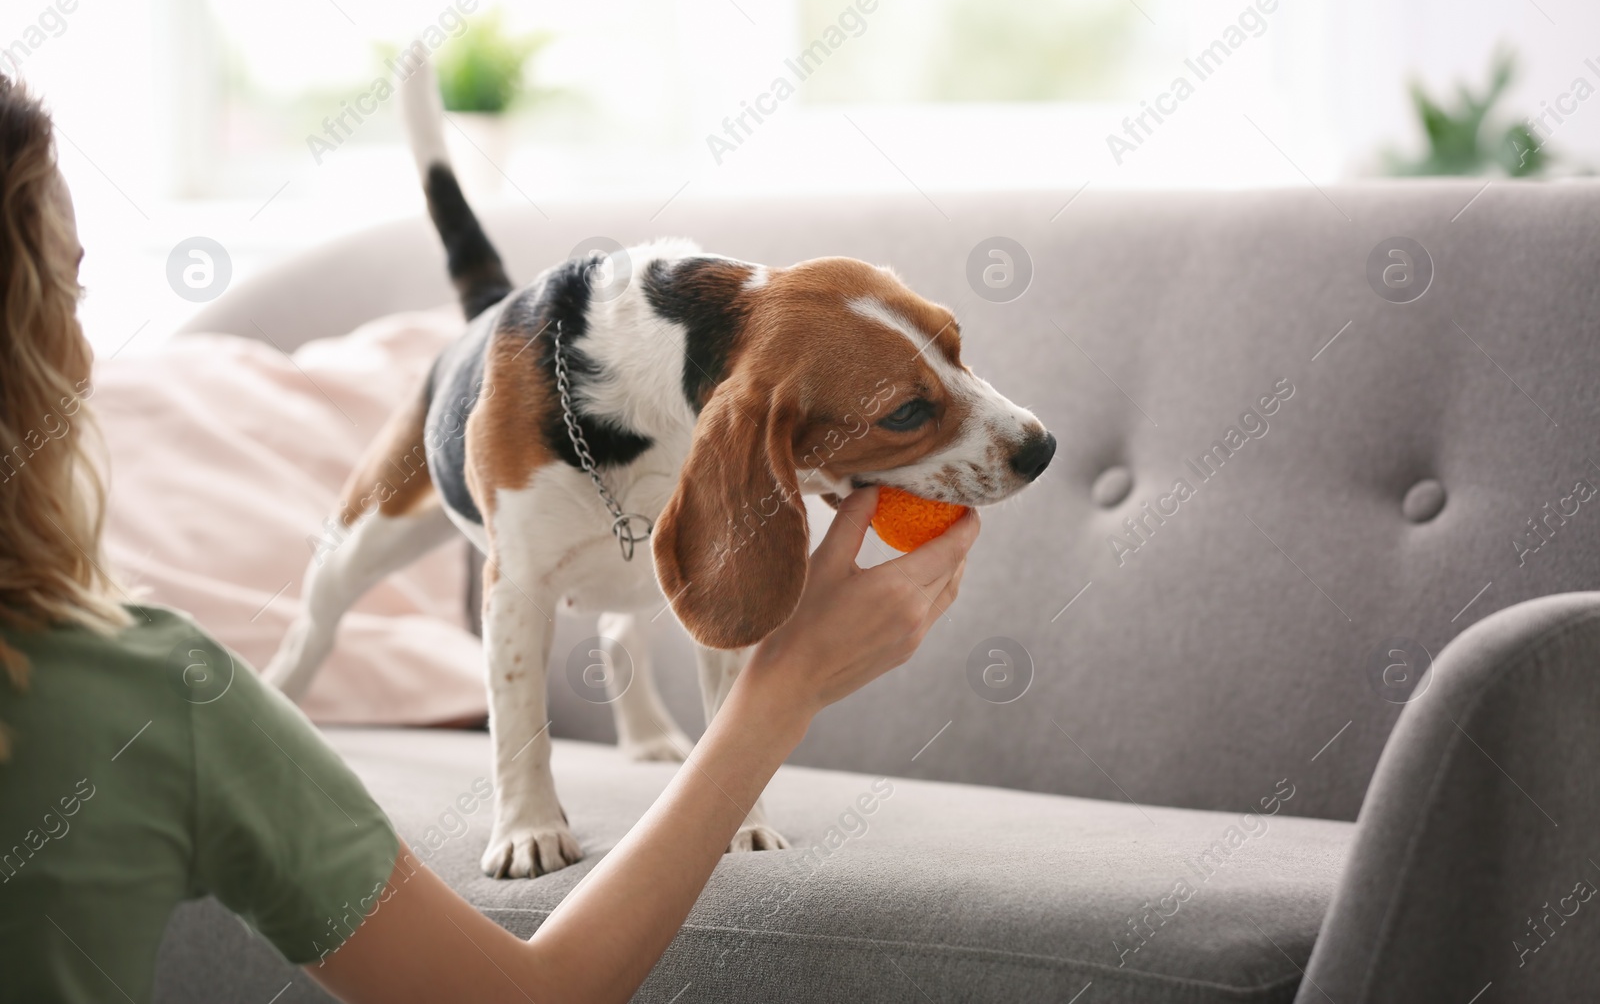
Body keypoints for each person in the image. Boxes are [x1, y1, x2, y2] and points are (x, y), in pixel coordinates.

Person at [0, 73, 978, 1003]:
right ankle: (301, 668)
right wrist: (792, 680)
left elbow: (701, 563)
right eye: (74, 293)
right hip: (473, 436)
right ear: (31, 342)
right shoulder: (152, 696)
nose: (90, 343)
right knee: (348, 573)